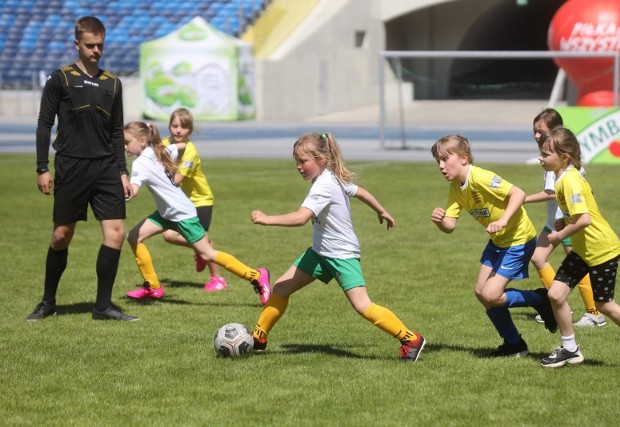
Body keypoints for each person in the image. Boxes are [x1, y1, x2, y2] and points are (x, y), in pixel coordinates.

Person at [250, 132, 425, 362]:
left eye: (303, 161)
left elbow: (301, 218)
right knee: (281, 288)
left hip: (341, 255)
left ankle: (410, 338)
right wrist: (380, 210)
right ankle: (258, 337)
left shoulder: (323, 185)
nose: (299, 167)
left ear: (321, 160)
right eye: (297, 162)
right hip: (320, 253)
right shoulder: (330, 177)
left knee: (363, 306)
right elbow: (359, 191)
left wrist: (266, 218)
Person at [28, 16, 137, 321]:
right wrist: (42, 167)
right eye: (90, 45)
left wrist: (122, 171)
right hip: (71, 165)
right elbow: (44, 125)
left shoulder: (113, 83)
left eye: (100, 45)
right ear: (77, 44)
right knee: (62, 235)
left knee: (115, 233)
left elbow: (117, 132)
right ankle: (48, 302)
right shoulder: (60, 79)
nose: (96, 51)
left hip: (106, 168)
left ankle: (103, 306)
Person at [430, 134, 556, 357]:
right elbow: (450, 226)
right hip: (498, 242)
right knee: (481, 293)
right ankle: (515, 344)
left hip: (518, 238)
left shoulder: (480, 177)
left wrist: (504, 220)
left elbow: (518, 193)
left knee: (491, 294)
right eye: (437, 161)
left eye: (444, 159)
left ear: (463, 158)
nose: (440, 166)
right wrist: (441, 221)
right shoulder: (456, 188)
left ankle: (540, 299)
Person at [122, 122, 271, 305]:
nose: (124, 146)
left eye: (126, 142)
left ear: (143, 141)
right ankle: (153, 287)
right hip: (167, 212)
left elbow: (134, 189)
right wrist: (164, 146)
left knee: (208, 254)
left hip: (181, 213)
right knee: (134, 237)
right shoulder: (160, 152)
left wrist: (126, 192)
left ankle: (256, 275)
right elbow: (184, 146)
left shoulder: (140, 163)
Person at [536, 127, 620, 369]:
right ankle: (570, 349)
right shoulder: (564, 177)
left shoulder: (570, 181)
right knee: (555, 294)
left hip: (602, 250)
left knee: (604, 304)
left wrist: (559, 234)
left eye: (545, 154)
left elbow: (585, 220)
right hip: (585, 250)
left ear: (564, 156)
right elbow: (579, 215)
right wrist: (564, 221)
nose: (540, 158)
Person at [525, 108, 605, 327]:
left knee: (578, 265)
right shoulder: (550, 159)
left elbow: (551, 192)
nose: (536, 135)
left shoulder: (557, 161)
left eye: (540, 131)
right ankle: (558, 307)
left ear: (556, 132)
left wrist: (523, 198)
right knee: (538, 258)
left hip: (567, 222)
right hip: (554, 221)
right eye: (534, 131)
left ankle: (595, 313)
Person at [161, 108, 226, 292]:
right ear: (169, 127)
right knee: (168, 235)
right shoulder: (164, 144)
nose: (179, 130)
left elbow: (177, 180)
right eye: (175, 126)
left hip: (200, 201)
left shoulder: (190, 152)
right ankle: (200, 248)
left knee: (204, 244)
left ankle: (217, 279)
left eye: (184, 127)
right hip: (183, 202)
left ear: (190, 130)